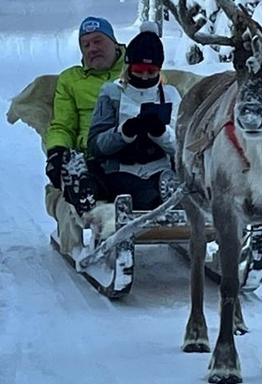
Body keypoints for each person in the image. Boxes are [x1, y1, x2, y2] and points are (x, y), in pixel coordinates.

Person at [43, 16, 125, 254]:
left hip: (136, 147)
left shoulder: (137, 70)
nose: (92, 49)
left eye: (98, 41)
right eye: (85, 45)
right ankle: (85, 197)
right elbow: (62, 124)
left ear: (114, 43)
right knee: (87, 177)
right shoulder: (71, 80)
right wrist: (57, 151)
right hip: (93, 154)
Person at [86, 29, 182, 213]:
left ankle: (169, 199)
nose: (145, 76)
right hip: (120, 170)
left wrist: (161, 132)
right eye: (139, 71)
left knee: (171, 188)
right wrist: (124, 133)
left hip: (160, 169)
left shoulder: (170, 95)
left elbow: (181, 148)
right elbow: (95, 146)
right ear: (128, 67)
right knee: (141, 195)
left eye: (151, 71)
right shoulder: (111, 93)